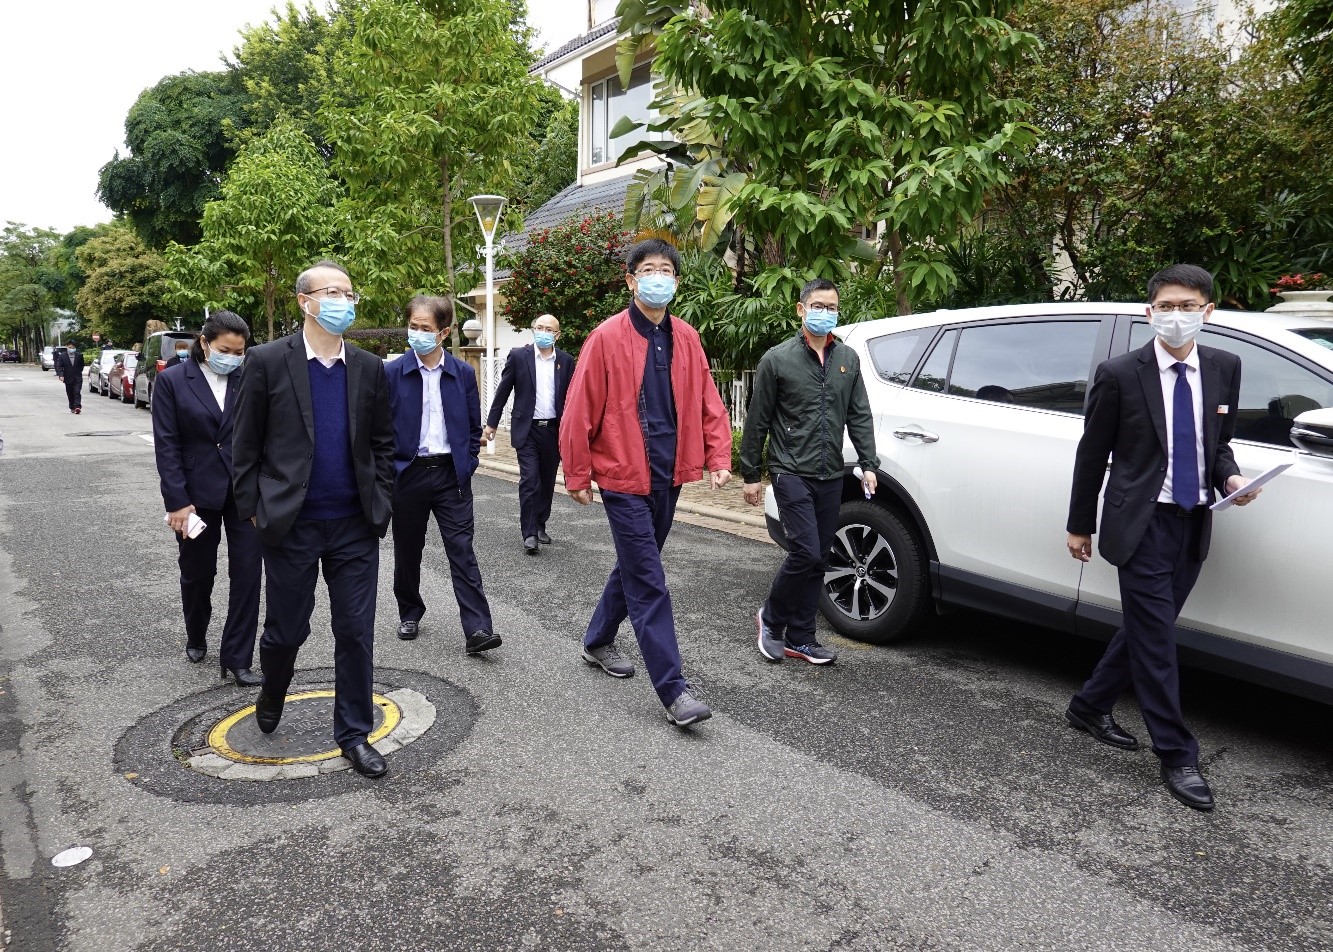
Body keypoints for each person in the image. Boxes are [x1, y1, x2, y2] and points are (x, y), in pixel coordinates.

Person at [1065, 263, 1260, 812]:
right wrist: (1080, 523)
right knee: (1156, 642)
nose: (1177, 316)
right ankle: (1177, 754)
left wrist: (1231, 478)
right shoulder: (1120, 373)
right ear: (1150, 312)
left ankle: (1089, 705)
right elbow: (1092, 454)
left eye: (1188, 306)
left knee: (1148, 628)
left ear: (1208, 311)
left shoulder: (1224, 366)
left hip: (1194, 519)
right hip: (1141, 523)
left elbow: (1218, 443)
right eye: (1167, 306)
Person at [231, 260, 395, 779]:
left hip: (354, 525)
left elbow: (383, 443)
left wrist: (382, 499)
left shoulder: (369, 367)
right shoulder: (266, 361)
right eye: (332, 292)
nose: (344, 301)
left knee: (355, 631)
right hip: (290, 524)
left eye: (349, 293)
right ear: (306, 301)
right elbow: (243, 445)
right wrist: (253, 510)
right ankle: (273, 688)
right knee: (286, 630)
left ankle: (354, 733)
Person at [560, 238, 733, 727]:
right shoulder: (606, 338)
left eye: (666, 270)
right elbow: (579, 408)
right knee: (649, 579)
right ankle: (674, 690)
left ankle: (597, 640)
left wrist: (719, 455)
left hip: (668, 473)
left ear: (676, 281)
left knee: (638, 565)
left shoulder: (687, 337)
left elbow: (708, 400)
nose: (658, 277)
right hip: (622, 475)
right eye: (648, 269)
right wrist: (577, 471)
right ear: (631, 281)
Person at [739, 278, 878, 666]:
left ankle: (802, 637)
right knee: (805, 551)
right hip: (790, 470)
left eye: (831, 307)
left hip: (830, 471)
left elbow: (859, 415)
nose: (825, 313)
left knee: (819, 558)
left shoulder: (847, 358)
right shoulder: (777, 359)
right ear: (801, 309)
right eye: (818, 306)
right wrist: (750, 474)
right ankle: (771, 619)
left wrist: (868, 463)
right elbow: (757, 420)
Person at [152, 311, 261, 684]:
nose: (232, 357)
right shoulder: (172, 381)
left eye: (239, 352)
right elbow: (167, 445)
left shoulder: (249, 378)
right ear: (204, 342)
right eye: (224, 350)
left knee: (248, 574)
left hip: (245, 493)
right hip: (195, 496)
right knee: (198, 573)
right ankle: (196, 632)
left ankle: (238, 658)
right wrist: (177, 503)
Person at [385, 295, 499, 654]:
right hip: (408, 475)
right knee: (408, 550)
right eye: (413, 326)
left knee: (462, 550)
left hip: (451, 476)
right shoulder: (391, 373)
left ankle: (478, 628)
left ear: (444, 332)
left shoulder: (462, 373)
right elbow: (380, 429)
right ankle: (409, 612)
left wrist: (469, 461)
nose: (417, 333)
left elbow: (472, 426)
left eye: (426, 328)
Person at [483, 314, 576, 555]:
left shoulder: (565, 361)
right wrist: (491, 424)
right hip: (527, 430)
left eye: (549, 329)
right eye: (539, 327)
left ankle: (541, 523)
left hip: (553, 430)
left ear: (557, 335)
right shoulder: (518, 356)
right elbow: (503, 391)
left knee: (547, 480)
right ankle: (529, 533)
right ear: (534, 330)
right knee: (530, 479)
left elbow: (573, 398)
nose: (543, 332)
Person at [53, 344, 84, 414]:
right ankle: (72, 406)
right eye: (70, 347)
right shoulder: (62, 356)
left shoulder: (79, 355)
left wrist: (78, 372)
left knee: (77, 391)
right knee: (70, 392)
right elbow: (59, 366)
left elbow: (82, 365)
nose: (71, 349)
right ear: (67, 347)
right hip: (68, 377)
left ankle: (77, 406)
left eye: (73, 347)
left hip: (77, 377)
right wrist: (61, 375)